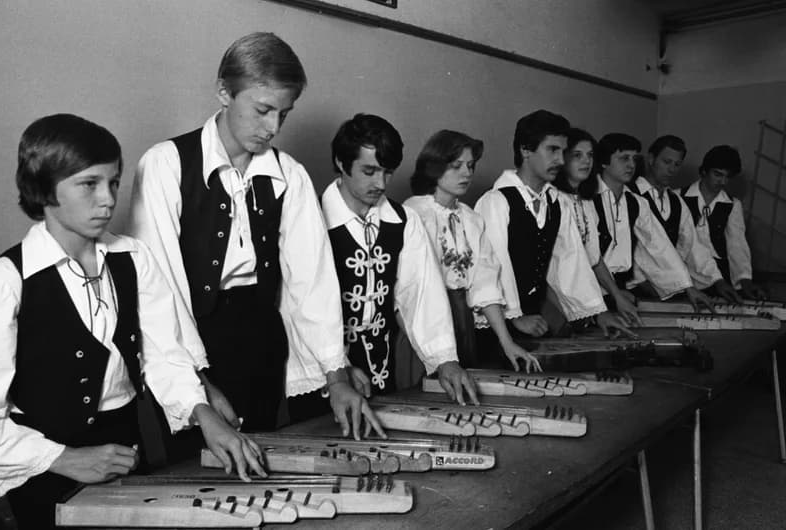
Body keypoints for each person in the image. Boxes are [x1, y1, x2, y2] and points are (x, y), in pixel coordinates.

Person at [0, 114, 265, 530]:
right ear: (43, 187)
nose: (108, 199)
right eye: (89, 184)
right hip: (40, 472)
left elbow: (163, 353)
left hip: (124, 449)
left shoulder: (133, 257)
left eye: (113, 182)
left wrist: (203, 414)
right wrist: (64, 458)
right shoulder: (6, 281)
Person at [128, 33, 383, 442]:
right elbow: (159, 290)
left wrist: (336, 377)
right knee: (197, 467)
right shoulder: (165, 164)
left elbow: (311, 283)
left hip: (261, 341)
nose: (273, 128)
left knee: (259, 458)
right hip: (189, 343)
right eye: (263, 110)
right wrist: (199, 384)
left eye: (284, 114)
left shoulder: (291, 175)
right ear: (224, 92)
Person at [301, 113, 478, 417]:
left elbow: (420, 293)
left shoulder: (404, 221)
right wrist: (337, 371)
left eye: (387, 172)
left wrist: (444, 358)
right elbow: (298, 310)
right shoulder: (310, 220)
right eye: (369, 171)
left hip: (382, 373)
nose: (380, 183)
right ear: (342, 164)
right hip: (321, 379)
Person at [474, 110, 633, 350]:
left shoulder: (557, 201)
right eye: (552, 150)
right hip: (497, 327)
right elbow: (492, 268)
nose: (560, 159)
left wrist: (597, 312)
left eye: (563, 150)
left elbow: (570, 261)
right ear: (525, 150)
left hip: (535, 322)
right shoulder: (496, 201)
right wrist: (515, 316)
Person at [404, 130, 541, 372]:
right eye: (457, 166)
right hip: (422, 321)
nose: (467, 173)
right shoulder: (414, 213)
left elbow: (485, 285)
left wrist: (507, 342)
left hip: (463, 320)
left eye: (470, 165)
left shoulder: (471, 219)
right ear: (435, 166)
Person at [585, 133, 714, 309]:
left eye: (634, 159)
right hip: (589, 288)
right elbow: (588, 257)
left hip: (619, 288)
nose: (631, 165)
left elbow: (659, 245)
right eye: (624, 158)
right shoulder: (587, 199)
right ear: (604, 162)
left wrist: (687, 287)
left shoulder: (637, 202)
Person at [629, 135, 739, 302]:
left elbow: (693, 245)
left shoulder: (676, 201)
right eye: (666, 162)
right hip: (636, 288)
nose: (672, 169)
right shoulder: (629, 196)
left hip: (669, 286)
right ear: (651, 159)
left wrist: (718, 280)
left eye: (677, 164)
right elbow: (635, 248)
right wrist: (642, 282)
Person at [552, 128, 642, 326]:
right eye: (577, 155)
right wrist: (596, 311)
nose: (586, 161)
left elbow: (594, 259)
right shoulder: (553, 200)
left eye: (590, 155)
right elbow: (560, 268)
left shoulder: (586, 201)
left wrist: (617, 297)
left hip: (586, 300)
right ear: (561, 159)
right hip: (559, 302)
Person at [681, 145, 767, 300]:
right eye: (717, 174)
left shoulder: (732, 204)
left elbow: (737, 244)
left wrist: (744, 279)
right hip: (686, 272)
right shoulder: (678, 198)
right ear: (704, 171)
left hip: (720, 276)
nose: (722, 181)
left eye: (727, 177)